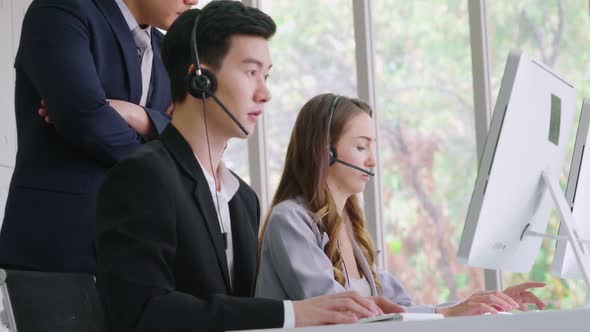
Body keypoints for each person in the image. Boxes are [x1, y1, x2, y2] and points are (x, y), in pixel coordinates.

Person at [94, 3, 404, 331]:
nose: (265, 93)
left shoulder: (243, 198)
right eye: (251, 72)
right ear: (200, 80)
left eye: (266, 75)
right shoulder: (142, 177)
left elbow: (241, 313)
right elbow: (143, 311)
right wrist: (293, 313)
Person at [255, 93, 548, 316]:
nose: (372, 160)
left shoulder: (350, 231)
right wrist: (448, 313)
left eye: (372, 147)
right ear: (325, 152)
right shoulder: (290, 221)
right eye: (361, 147)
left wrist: (479, 304)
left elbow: (405, 307)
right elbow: (341, 313)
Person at [0, 0, 196, 274]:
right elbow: (85, 120)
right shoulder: (61, 10)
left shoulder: (168, 50)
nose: (194, 1)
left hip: (141, 255)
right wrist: (162, 149)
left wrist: (139, 116)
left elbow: (187, 139)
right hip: (59, 246)